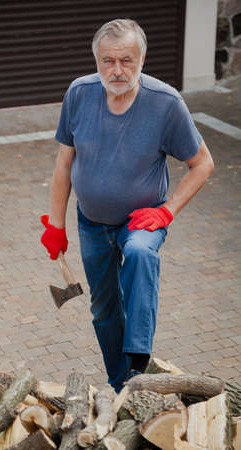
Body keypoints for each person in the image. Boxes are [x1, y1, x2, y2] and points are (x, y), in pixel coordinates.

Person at [40, 19, 214, 393]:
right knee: (103, 310)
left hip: (143, 220)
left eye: (127, 60)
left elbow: (203, 164)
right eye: (108, 61)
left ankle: (137, 364)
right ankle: (121, 385)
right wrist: (55, 226)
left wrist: (166, 211)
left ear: (142, 59)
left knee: (139, 255)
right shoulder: (79, 94)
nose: (117, 70)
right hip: (92, 220)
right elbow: (64, 164)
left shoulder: (166, 103)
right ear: (97, 61)